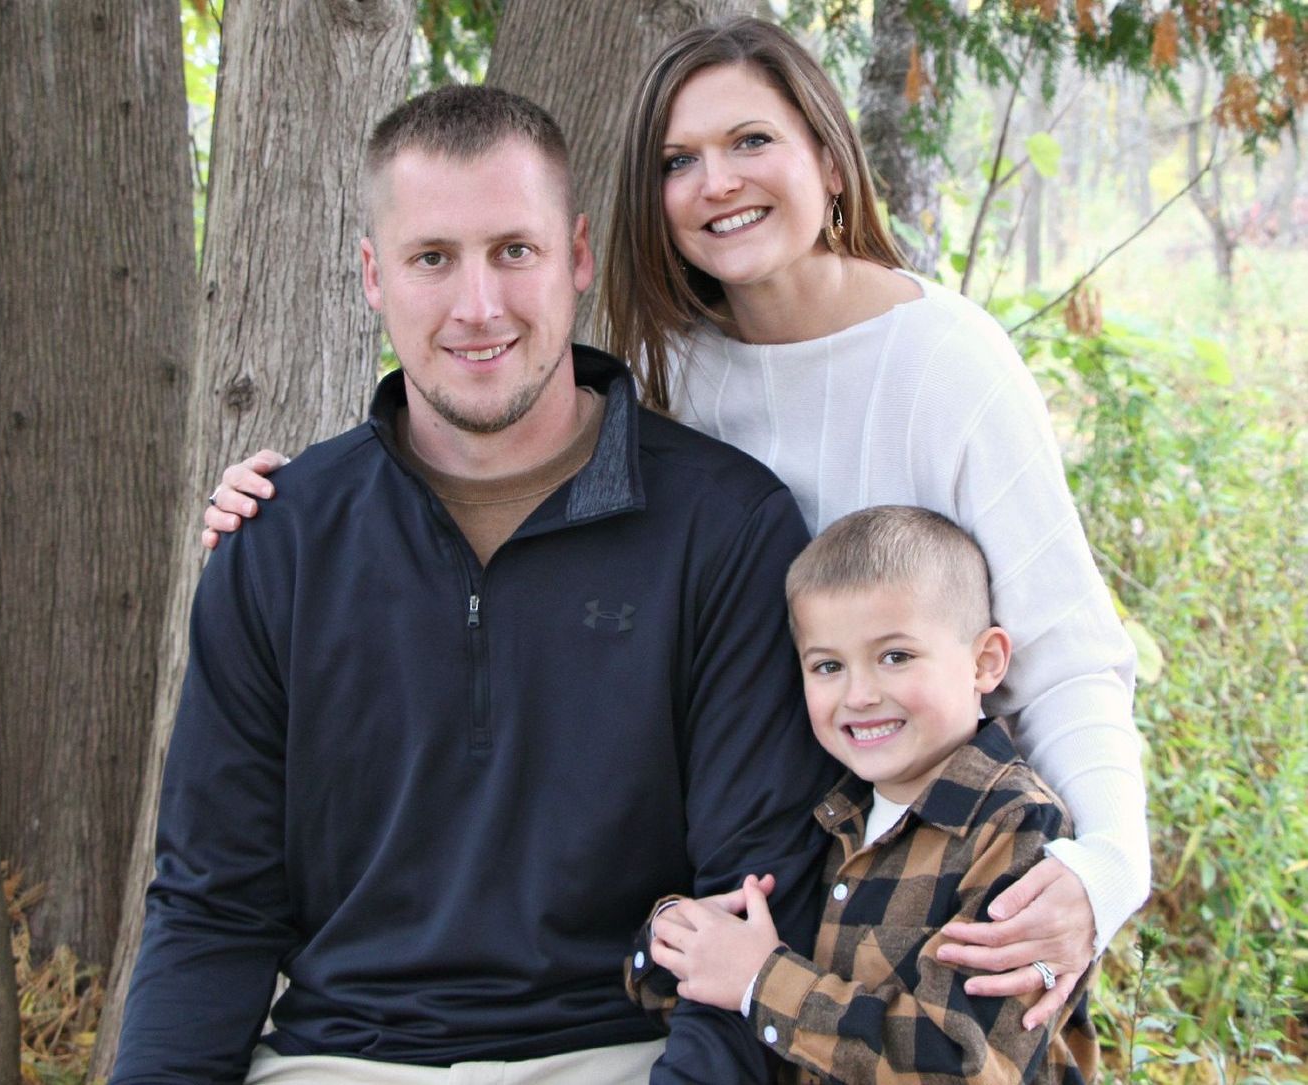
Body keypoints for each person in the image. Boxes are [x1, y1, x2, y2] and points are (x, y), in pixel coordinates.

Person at [204, 16, 1149, 1023]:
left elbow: (1064, 655)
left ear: (828, 160)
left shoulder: (947, 362)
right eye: (677, 159)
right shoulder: (666, 375)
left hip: (928, 863)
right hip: (762, 875)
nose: (717, 181)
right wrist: (286, 507)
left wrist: (1103, 872)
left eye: (751, 141)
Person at [113, 84, 838, 1085]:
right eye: (431, 259)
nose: (478, 306)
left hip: (623, 1052)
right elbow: (211, 902)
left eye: (514, 251)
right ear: (374, 275)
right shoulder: (280, 540)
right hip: (340, 1059)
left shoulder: (723, 526)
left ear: (576, 256)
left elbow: (757, 890)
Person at [631, 505, 1099, 1083]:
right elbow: (710, 1005)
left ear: (985, 661)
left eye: (895, 657)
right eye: (827, 666)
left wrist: (761, 980)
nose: (859, 695)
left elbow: (963, 1064)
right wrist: (674, 940)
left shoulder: (1016, 827)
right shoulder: (828, 813)